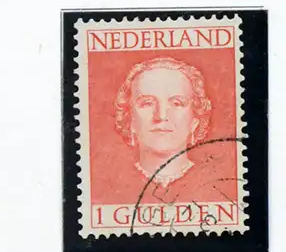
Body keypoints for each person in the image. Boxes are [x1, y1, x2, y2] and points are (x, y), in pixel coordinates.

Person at [99, 55, 239, 209]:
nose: (161, 116)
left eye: (176, 103)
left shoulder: (219, 185)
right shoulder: (108, 188)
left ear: (195, 119)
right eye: (147, 103)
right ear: (129, 118)